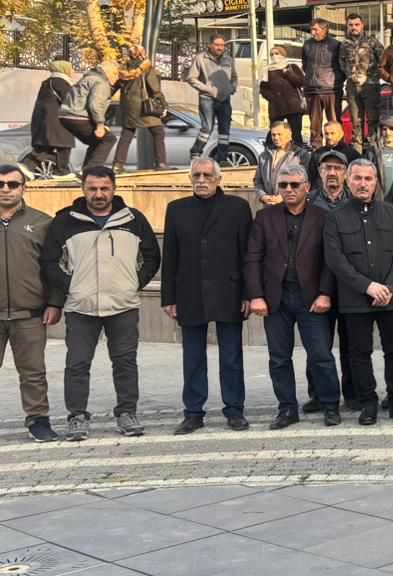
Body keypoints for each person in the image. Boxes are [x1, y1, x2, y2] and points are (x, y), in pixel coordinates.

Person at [41, 165, 160, 440]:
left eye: (104, 188)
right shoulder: (65, 221)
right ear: (83, 189)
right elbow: (49, 261)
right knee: (77, 364)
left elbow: (152, 257)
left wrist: (133, 282)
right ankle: (77, 417)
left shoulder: (133, 219)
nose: (98, 194)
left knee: (125, 362)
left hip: (123, 305)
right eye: (92, 188)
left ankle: (127, 412)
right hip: (81, 308)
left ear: (114, 189)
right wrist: (71, 286)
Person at [244, 162, 340, 428]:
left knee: (321, 355)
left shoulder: (323, 217)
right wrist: (256, 296)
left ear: (307, 187)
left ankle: (330, 405)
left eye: (294, 185)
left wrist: (325, 293)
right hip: (276, 298)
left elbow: (331, 260)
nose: (288, 189)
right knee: (279, 358)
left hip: (311, 298)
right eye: (283, 185)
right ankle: (287, 409)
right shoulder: (265, 218)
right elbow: (252, 258)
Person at [161, 156, 253, 433]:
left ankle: (235, 410)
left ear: (218, 179)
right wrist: (169, 297)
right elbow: (171, 255)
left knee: (231, 357)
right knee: (193, 358)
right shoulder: (176, 209)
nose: (201, 180)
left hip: (230, 291)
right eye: (196, 176)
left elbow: (247, 254)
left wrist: (249, 293)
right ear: (190, 179)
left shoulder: (238, 207)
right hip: (190, 292)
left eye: (207, 176)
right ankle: (193, 412)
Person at [324, 159, 393, 424]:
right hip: (355, 299)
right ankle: (368, 403)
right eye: (358, 178)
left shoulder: (392, 213)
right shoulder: (335, 217)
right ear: (347, 181)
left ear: (376, 182)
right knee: (359, 353)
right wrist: (367, 286)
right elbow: (335, 259)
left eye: (368, 179)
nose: (363, 183)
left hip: (391, 297)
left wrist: (390, 286)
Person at [0, 165, 62, 441]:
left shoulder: (41, 223)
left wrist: (55, 303)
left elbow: (54, 267)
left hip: (30, 313)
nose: (5, 189)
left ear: (24, 188)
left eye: (12, 184)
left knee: (33, 372)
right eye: (0, 184)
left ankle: (38, 420)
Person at [111, 47, 167, 171]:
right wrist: (164, 104)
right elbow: (154, 88)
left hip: (128, 105)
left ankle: (117, 164)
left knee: (127, 133)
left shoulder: (123, 68)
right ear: (142, 54)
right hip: (143, 104)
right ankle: (161, 163)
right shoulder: (145, 67)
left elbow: (114, 86)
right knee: (158, 132)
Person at [57, 51, 116, 168]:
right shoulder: (101, 82)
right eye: (116, 74)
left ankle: (86, 170)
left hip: (65, 116)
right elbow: (95, 104)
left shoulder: (89, 78)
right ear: (109, 73)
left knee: (96, 141)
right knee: (108, 139)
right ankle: (91, 171)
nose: (117, 77)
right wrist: (100, 124)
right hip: (78, 116)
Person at [186, 34, 237, 159]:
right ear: (210, 45)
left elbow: (234, 77)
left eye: (222, 45)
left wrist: (232, 88)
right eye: (217, 45)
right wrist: (208, 89)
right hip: (207, 99)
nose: (220, 47)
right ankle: (195, 152)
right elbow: (191, 78)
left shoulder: (228, 59)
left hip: (225, 99)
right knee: (207, 128)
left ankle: (222, 159)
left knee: (224, 132)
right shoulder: (200, 58)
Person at [340, 14, 385, 151]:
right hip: (352, 87)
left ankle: (374, 150)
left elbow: (383, 60)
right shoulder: (344, 44)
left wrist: (373, 76)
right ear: (348, 26)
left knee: (373, 120)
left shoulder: (372, 42)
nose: (354, 27)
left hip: (370, 86)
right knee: (356, 122)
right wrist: (350, 75)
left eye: (356, 24)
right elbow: (341, 63)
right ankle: (357, 153)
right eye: (351, 25)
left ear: (362, 25)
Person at [26, 59, 78, 177]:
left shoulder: (48, 82)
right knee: (63, 144)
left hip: (45, 121)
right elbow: (70, 101)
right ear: (64, 69)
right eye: (71, 68)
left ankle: (28, 165)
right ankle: (61, 171)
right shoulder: (61, 82)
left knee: (47, 147)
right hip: (56, 121)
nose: (73, 71)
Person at [301, 19, 343, 142]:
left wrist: (337, 81)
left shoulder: (336, 45)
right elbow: (305, 64)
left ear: (324, 30)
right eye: (311, 30)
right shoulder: (307, 45)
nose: (312, 32)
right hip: (312, 90)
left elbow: (342, 67)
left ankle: (338, 150)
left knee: (334, 124)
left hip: (331, 90)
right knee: (314, 126)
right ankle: (316, 151)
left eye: (315, 29)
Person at [254, 120, 311, 204]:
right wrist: (263, 196)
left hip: (293, 207)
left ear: (289, 135)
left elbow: (306, 182)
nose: (276, 138)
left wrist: (284, 196)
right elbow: (257, 181)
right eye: (273, 135)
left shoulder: (301, 155)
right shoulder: (264, 156)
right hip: (269, 208)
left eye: (279, 134)